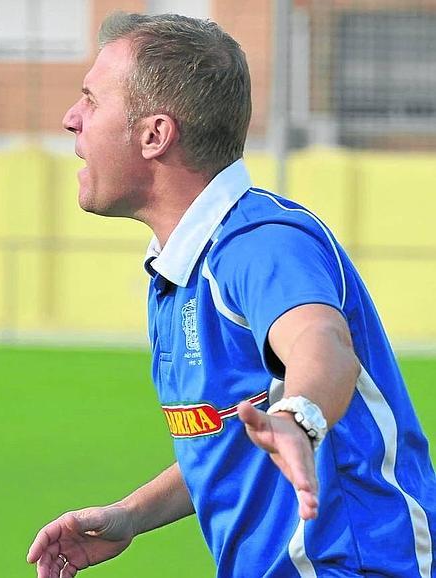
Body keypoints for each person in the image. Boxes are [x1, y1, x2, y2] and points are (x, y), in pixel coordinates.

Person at [27, 11, 435, 578]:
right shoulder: (180, 271)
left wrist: (299, 418)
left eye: (91, 100)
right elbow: (233, 434)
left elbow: (322, 345)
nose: (72, 119)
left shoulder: (257, 243)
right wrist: (130, 515)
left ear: (154, 135)